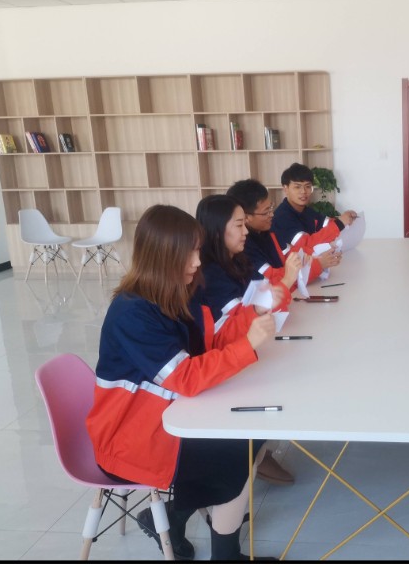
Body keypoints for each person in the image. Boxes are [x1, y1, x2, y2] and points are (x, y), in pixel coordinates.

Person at [86, 204, 288, 561]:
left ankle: (181, 521)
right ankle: (222, 552)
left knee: (250, 438)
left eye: (197, 250)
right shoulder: (132, 312)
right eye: (189, 254)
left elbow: (210, 345)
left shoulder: (177, 291)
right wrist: (247, 345)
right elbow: (185, 378)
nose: (197, 262)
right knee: (235, 452)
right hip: (132, 435)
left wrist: (252, 319)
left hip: (167, 414)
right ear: (161, 257)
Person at [195, 194, 299, 486]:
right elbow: (228, 331)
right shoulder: (209, 273)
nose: (245, 232)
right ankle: (254, 453)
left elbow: (265, 297)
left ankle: (261, 450)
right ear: (217, 230)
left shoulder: (238, 259)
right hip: (229, 362)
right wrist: (284, 284)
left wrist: (276, 293)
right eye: (239, 225)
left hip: (250, 351)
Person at [226, 179, 339, 289]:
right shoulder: (243, 245)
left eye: (271, 207)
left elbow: (291, 255)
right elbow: (269, 281)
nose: (272, 214)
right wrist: (318, 265)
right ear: (245, 217)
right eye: (266, 212)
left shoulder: (268, 232)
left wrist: (316, 256)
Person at [271, 163, 358, 260]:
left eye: (308, 186)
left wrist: (347, 219)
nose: (303, 191)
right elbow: (306, 244)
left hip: (310, 263)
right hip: (291, 267)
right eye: (297, 187)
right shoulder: (282, 217)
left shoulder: (307, 211)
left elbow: (327, 223)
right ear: (285, 189)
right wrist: (340, 223)